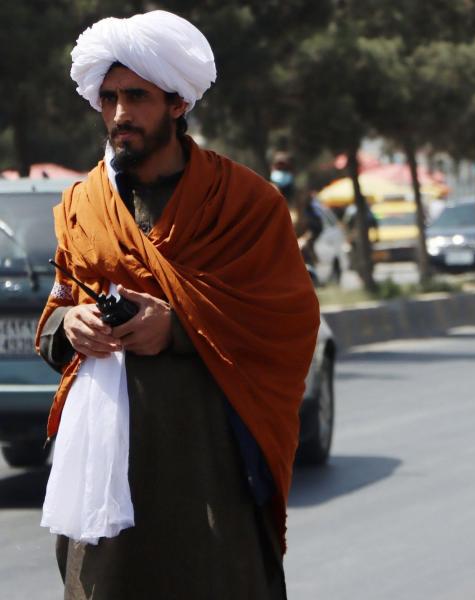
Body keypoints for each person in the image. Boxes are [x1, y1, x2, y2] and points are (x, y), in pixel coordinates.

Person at [34, 10, 320, 599]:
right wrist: (73, 324)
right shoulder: (85, 203)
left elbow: (287, 322)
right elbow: (53, 316)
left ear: (177, 103)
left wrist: (180, 329)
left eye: (135, 96)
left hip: (208, 461)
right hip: (106, 466)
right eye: (108, 97)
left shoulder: (244, 203)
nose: (119, 113)